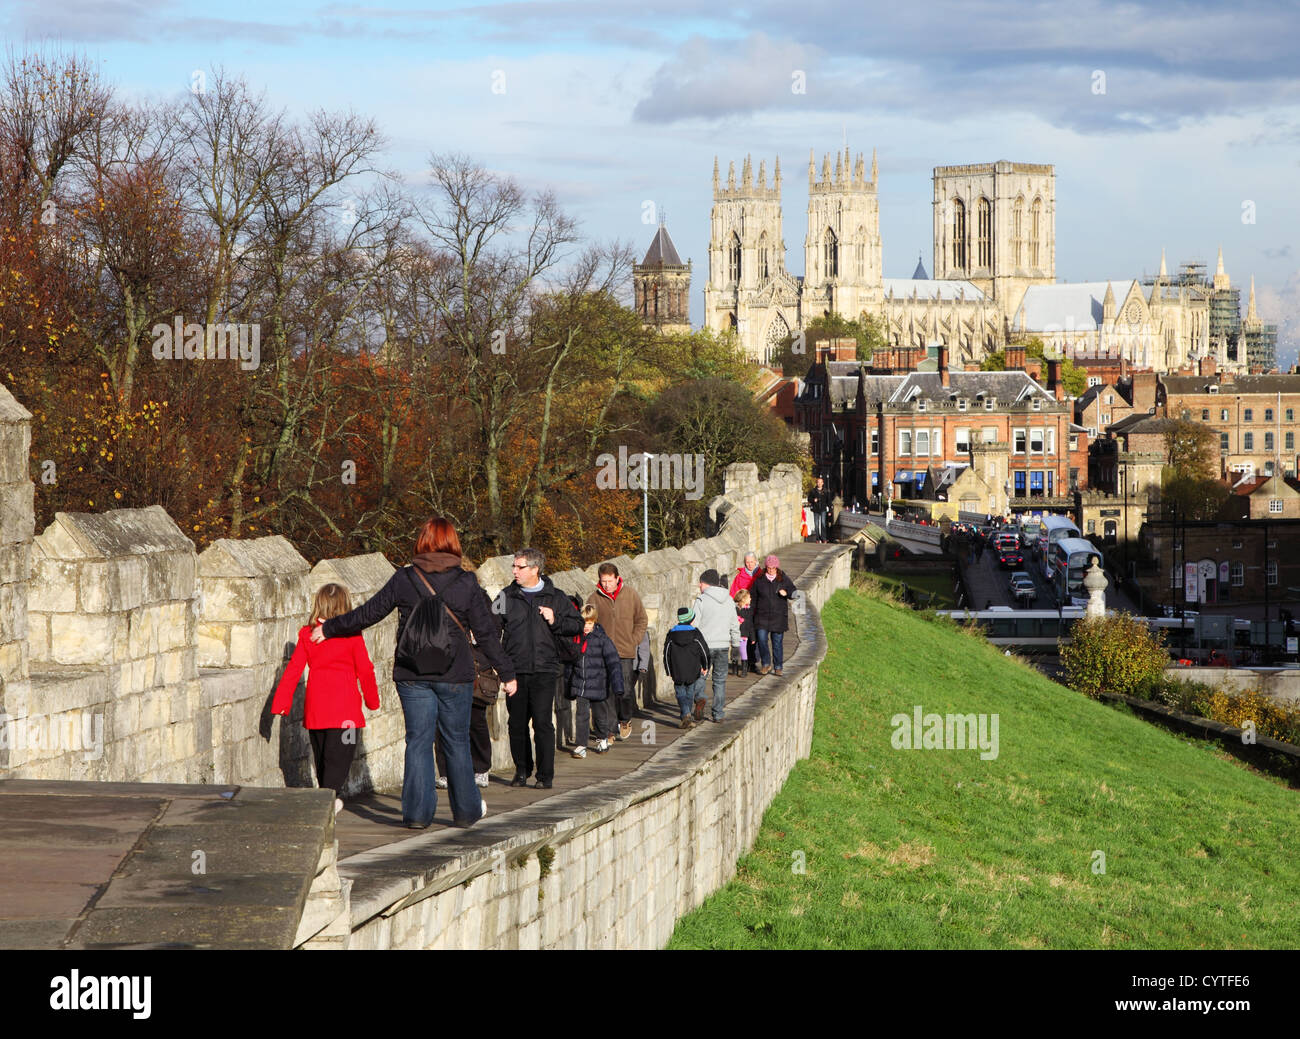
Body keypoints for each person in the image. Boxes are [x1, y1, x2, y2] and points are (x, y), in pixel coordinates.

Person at [311, 517, 515, 830]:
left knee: (418, 742)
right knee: (457, 741)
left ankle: (418, 815)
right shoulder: (466, 582)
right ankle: (466, 812)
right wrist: (507, 672)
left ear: (421, 542)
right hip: (455, 675)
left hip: (412, 673)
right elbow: (486, 632)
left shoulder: (405, 578)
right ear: (452, 544)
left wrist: (331, 627)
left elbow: (369, 614)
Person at [273, 583, 380, 816]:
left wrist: (281, 703)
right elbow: (365, 670)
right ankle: (330, 801)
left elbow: (293, 670)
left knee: (322, 760)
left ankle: (327, 800)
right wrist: (372, 701)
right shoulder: (352, 635)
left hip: (317, 711)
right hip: (347, 716)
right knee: (340, 758)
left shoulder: (306, 634)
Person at [495, 547, 582, 790]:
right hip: (515, 670)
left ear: (535, 569)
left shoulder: (556, 596)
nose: (514, 571)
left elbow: (577, 625)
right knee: (517, 723)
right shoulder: (506, 596)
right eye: (513, 566)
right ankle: (522, 770)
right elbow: (490, 627)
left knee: (543, 723)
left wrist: (556, 620)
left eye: (519, 567)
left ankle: (545, 776)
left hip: (545, 669)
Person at [434, 557, 496, 791]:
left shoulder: (481, 597)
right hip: (445, 664)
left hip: (473, 665)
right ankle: (446, 772)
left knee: (475, 720)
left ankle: (480, 768)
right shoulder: (438, 598)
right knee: (442, 721)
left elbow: (492, 631)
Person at [585, 563, 648, 745]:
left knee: (625, 690)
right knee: (608, 692)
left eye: (609, 581)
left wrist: (634, 639)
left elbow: (641, 619)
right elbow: (587, 622)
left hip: (626, 651)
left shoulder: (630, 594)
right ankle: (610, 731)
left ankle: (625, 719)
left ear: (617, 578)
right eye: (603, 581)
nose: (606, 585)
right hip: (604, 652)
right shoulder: (594, 598)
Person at [565, 605, 623, 758]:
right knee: (581, 715)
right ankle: (581, 744)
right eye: (584, 623)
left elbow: (613, 662)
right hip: (580, 685)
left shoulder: (602, 640)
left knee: (599, 716)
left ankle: (603, 738)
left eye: (589, 623)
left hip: (598, 685)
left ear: (595, 622)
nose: (586, 627)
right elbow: (570, 663)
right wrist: (568, 685)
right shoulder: (576, 638)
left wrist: (618, 686)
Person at [692, 568, 741, 723]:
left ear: (706, 584)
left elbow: (694, 625)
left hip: (704, 646)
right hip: (723, 645)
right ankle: (718, 713)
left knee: (700, 675)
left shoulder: (701, 600)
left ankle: (699, 697)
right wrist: (736, 645)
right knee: (720, 680)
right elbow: (735, 625)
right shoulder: (728, 600)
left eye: (700, 583)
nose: (699, 586)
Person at [662, 606, 710, 730]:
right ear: (690, 620)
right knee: (689, 693)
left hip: (677, 669)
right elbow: (704, 651)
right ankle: (686, 714)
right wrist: (705, 666)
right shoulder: (695, 633)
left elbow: (666, 652)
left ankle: (686, 715)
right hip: (693, 669)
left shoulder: (671, 634)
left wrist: (668, 670)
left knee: (680, 693)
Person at [750, 554, 797, 676]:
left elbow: (794, 592)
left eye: (773, 568)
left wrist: (786, 593)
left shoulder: (783, 579)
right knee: (761, 640)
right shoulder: (759, 580)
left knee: (777, 643)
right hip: (762, 617)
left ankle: (778, 666)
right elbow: (753, 598)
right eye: (769, 568)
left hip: (778, 617)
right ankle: (766, 664)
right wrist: (750, 614)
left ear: (777, 568)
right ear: (766, 567)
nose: (771, 570)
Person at [735, 588, 756, 674]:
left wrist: (753, 637)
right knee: (735, 651)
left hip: (744, 634)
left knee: (743, 651)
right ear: (743, 599)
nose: (751, 599)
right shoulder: (735, 609)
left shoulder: (749, 611)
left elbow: (751, 625)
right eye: (749, 597)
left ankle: (744, 669)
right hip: (735, 634)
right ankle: (734, 668)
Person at [808, 476, 830, 543]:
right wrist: (813, 500)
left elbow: (829, 501)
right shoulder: (813, 491)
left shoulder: (826, 491)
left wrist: (830, 511)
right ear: (816, 483)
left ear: (823, 483)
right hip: (816, 509)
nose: (819, 484)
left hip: (823, 509)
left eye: (820, 482)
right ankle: (817, 538)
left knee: (823, 523)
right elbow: (809, 499)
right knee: (816, 524)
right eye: (818, 482)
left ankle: (824, 538)